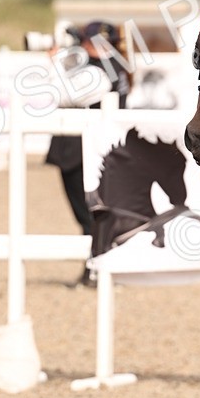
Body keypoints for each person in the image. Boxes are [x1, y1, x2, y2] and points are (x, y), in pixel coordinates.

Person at [44, 21, 130, 279]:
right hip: (98, 150)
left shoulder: (99, 71)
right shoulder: (114, 66)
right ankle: (96, 268)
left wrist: (55, 62)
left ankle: (96, 270)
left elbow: (62, 96)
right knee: (94, 213)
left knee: (88, 215)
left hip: (81, 152)